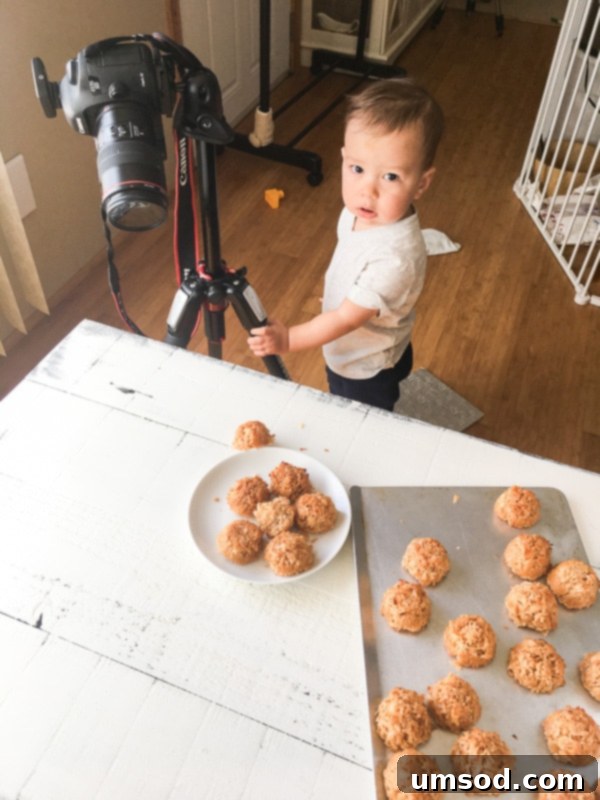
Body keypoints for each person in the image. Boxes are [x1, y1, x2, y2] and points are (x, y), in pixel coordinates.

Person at [248, 78, 444, 411]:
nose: (368, 191)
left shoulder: (395, 260)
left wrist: (289, 339)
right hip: (369, 341)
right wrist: (343, 292)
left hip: (364, 366)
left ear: (421, 183)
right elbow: (352, 258)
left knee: (360, 421)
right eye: (357, 169)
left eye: (391, 177)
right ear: (343, 159)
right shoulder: (360, 213)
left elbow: (344, 321)